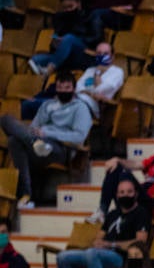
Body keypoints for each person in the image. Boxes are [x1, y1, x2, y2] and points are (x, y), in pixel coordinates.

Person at [3, 72, 93, 207]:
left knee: (16, 141)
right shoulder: (47, 105)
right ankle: (26, 196)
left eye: (67, 88)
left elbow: (79, 136)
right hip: (39, 144)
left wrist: (48, 133)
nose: (63, 91)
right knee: (9, 129)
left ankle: (25, 195)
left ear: (73, 89)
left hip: (61, 148)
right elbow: (33, 127)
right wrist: (36, 134)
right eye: (60, 88)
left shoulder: (80, 108)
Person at [57, 177, 148, 268]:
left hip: (122, 257)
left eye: (129, 192)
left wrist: (111, 244)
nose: (125, 195)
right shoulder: (112, 214)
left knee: (92, 254)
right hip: (98, 253)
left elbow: (140, 242)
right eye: (122, 192)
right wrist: (98, 243)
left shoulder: (141, 213)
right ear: (117, 196)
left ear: (136, 194)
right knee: (62, 257)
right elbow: (99, 237)